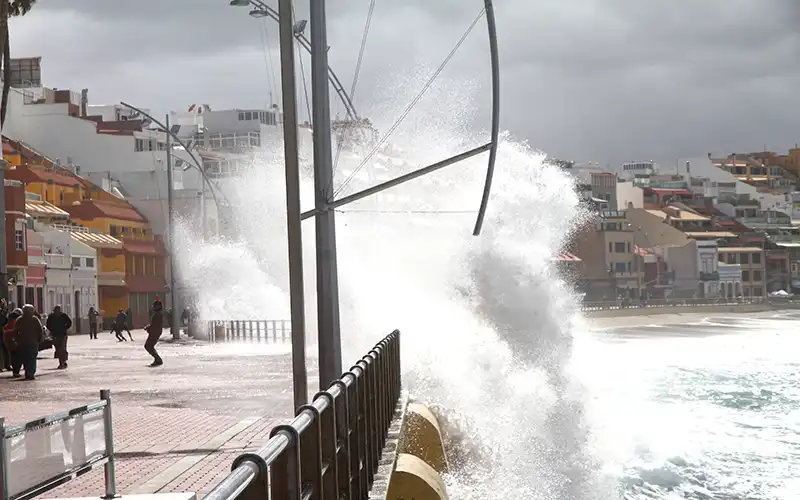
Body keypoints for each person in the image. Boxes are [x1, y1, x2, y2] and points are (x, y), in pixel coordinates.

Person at [14, 304, 44, 380]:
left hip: (26, 342)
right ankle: (30, 372)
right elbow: (40, 330)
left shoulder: (21, 320)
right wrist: (40, 339)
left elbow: (15, 332)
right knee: (30, 358)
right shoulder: (33, 319)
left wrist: (17, 339)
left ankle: (29, 372)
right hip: (29, 342)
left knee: (28, 358)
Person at [46, 305, 72, 370]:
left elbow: (69, 323)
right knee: (58, 348)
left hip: (63, 334)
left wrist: (65, 328)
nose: (57, 311)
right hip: (55, 335)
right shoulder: (51, 316)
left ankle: (62, 362)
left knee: (62, 348)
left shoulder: (63, 316)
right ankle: (62, 361)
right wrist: (52, 330)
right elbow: (48, 325)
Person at [144, 299, 164, 367]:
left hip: (155, 332)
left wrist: (150, 328)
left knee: (148, 346)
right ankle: (157, 359)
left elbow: (156, 325)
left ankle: (158, 359)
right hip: (155, 332)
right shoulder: (157, 314)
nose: (153, 307)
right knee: (149, 346)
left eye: (154, 306)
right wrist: (149, 327)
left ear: (158, 306)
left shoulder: (158, 314)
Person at [3, 308, 23, 377]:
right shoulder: (17, 323)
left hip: (11, 344)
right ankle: (16, 371)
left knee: (14, 357)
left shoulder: (7, 326)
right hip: (17, 343)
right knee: (18, 358)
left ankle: (15, 371)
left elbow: (5, 335)